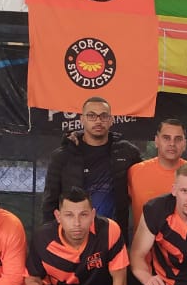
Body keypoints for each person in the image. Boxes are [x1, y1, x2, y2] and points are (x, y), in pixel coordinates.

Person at [40, 96, 142, 234]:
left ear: (111, 120)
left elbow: (144, 187)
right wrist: (49, 237)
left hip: (113, 234)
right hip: (74, 236)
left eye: (103, 116)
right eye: (91, 116)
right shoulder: (63, 156)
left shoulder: (128, 152)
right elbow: (50, 202)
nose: (98, 121)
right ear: (82, 119)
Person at [26, 187, 128, 285]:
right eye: (69, 215)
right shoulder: (42, 238)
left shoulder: (109, 230)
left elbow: (120, 280)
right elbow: (31, 277)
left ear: (93, 215)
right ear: (58, 216)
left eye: (83, 215)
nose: (77, 223)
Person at [127, 117, 187, 236]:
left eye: (178, 139)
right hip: (143, 247)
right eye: (166, 138)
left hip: (183, 247)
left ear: (184, 144)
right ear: (156, 141)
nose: (172, 143)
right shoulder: (135, 172)